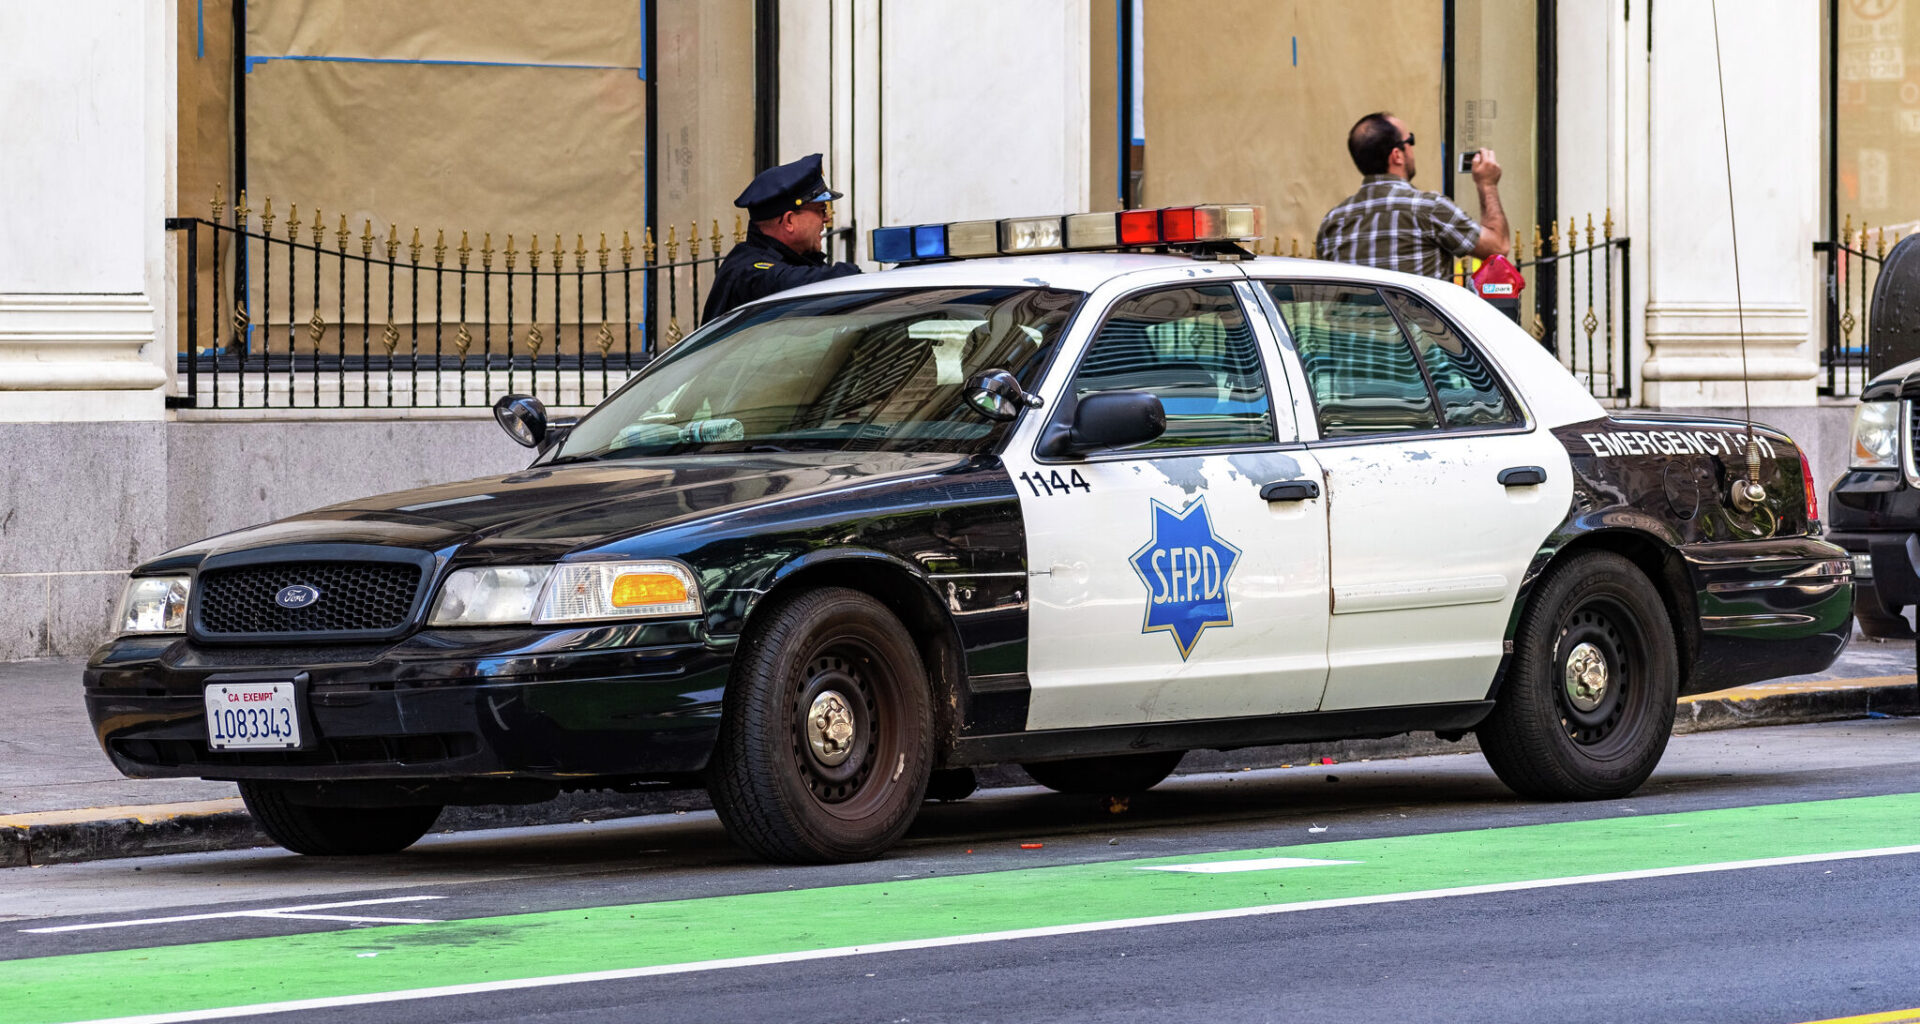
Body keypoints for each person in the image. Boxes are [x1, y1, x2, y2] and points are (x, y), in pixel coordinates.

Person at [1315, 112, 1510, 279]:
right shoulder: (1429, 209)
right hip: (1412, 315)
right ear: (1397, 155)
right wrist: (1487, 184)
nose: (1412, 149)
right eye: (1411, 141)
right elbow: (1498, 247)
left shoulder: (1333, 221)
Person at [702, 153, 862, 322]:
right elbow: (784, 281)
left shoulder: (795, 258)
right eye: (821, 210)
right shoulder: (749, 271)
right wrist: (856, 276)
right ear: (789, 221)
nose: (827, 218)